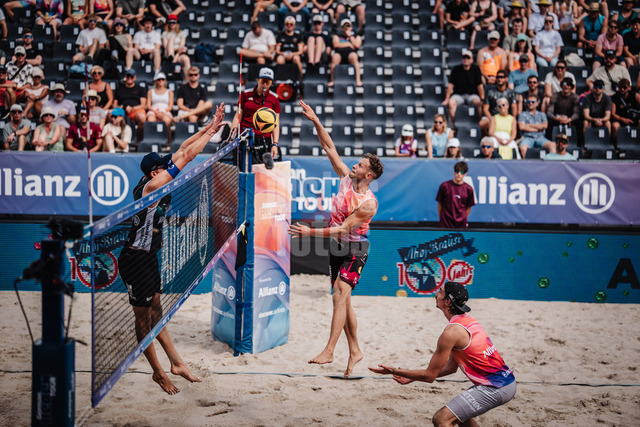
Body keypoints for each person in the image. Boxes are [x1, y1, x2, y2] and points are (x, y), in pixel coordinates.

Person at [118, 104, 225, 395]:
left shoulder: (155, 178)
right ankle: (158, 372)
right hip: (134, 259)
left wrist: (209, 127)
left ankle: (176, 363)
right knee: (143, 320)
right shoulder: (152, 188)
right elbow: (187, 157)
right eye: (164, 166)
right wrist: (211, 135)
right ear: (155, 172)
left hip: (148, 256)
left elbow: (182, 150)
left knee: (157, 309)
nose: (169, 165)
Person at [289, 99, 384, 378]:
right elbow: (329, 147)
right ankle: (355, 349)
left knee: (339, 295)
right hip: (337, 247)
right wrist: (316, 120)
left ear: (368, 175)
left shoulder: (368, 203)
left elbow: (343, 229)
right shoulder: (345, 178)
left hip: (355, 248)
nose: (354, 165)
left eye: (360, 164)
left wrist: (309, 232)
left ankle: (330, 350)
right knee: (345, 300)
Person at [369, 281, 516, 427]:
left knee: (441, 419)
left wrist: (394, 371)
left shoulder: (451, 333)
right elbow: (451, 368)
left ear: (447, 301)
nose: (436, 294)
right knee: (460, 416)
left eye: (440, 291)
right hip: (505, 382)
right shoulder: (467, 321)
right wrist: (411, 377)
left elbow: (430, 376)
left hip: (496, 387)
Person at [230, 67, 280, 160]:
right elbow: (237, 117)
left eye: (268, 82)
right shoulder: (246, 94)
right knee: (242, 165)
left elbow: (276, 123)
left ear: (271, 83)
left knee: (261, 167)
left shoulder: (274, 97)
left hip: (264, 138)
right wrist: (231, 137)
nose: (264, 84)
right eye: (262, 81)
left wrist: (275, 144)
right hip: (245, 136)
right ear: (258, 80)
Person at [442, 49, 484, 128]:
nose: (465, 59)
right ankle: (456, 125)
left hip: (472, 95)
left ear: (471, 60)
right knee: (451, 102)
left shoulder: (476, 69)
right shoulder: (456, 69)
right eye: (464, 57)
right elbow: (450, 85)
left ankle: (478, 126)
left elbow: (479, 85)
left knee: (478, 102)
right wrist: (447, 99)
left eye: (468, 58)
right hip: (459, 95)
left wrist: (482, 98)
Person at [436, 161, 474, 228]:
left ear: (465, 174)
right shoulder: (444, 186)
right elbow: (439, 205)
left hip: (461, 225)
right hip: (445, 224)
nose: (459, 174)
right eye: (457, 171)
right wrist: (442, 220)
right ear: (454, 172)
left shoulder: (469, 189)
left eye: (462, 172)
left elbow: (469, 208)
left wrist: (462, 218)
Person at [113, 68, 147, 142]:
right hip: (122, 111)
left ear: (134, 77)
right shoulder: (119, 89)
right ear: (125, 77)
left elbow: (143, 105)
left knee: (142, 117)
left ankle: (139, 141)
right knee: (109, 115)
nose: (129, 78)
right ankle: (115, 140)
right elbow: (114, 105)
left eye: (131, 76)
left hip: (135, 110)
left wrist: (132, 108)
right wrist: (119, 107)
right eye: (128, 76)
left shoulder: (140, 89)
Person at [481, 69, 517, 135]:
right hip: (492, 116)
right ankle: (487, 138)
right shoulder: (490, 92)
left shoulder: (510, 93)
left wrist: (512, 119)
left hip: (506, 116)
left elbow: (514, 107)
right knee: (483, 123)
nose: (499, 79)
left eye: (502, 77)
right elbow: (485, 109)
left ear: (506, 79)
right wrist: (492, 119)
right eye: (498, 77)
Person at [329, 18, 362, 87]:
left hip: (351, 54)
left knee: (354, 56)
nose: (346, 27)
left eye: (348, 25)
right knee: (334, 57)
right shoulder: (337, 36)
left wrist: (350, 36)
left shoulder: (356, 36)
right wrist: (349, 44)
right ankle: (332, 80)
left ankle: (358, 80)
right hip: (340, 53)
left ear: (351, 27)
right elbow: (336, 45)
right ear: (342, 28)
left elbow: (357, 45)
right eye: (344, 26)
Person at [146, 72, 174, 146]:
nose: (161, 81)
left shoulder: (170, 92)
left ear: (165, 80)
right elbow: (148, 105)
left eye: (162, 79)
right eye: (159, 79)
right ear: (156, 80)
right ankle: (152, 141)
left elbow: (170, 106)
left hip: (165, 111)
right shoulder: (150, 91)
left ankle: (168, 142)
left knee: (167, 121)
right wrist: (156, 112)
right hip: (153, 110)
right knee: (150, 120)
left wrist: (162, 112)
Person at [611, 78, 640, 144]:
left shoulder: (635, 95)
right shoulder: (615, 97)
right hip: (621, 120)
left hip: (634, 119)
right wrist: (623, 119)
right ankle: (617, 145)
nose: (622, 89)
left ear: (629, 88)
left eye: (624, 88)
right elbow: (613, 113)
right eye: (620, 88)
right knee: (615, 126)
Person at [276, 15, 305, 79]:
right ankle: (279, 79)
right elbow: (277, 51)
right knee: (279, 59)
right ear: (285, 25)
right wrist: (284, 54)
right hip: (283, 55)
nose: (289, 25)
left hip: (294, 55)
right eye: (287, 24)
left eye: (291, 24)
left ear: (294, 25)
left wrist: (292, 54)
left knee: (296, 58)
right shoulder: (280, 36)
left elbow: (301, 51)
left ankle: (301, 79)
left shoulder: (298, 36)